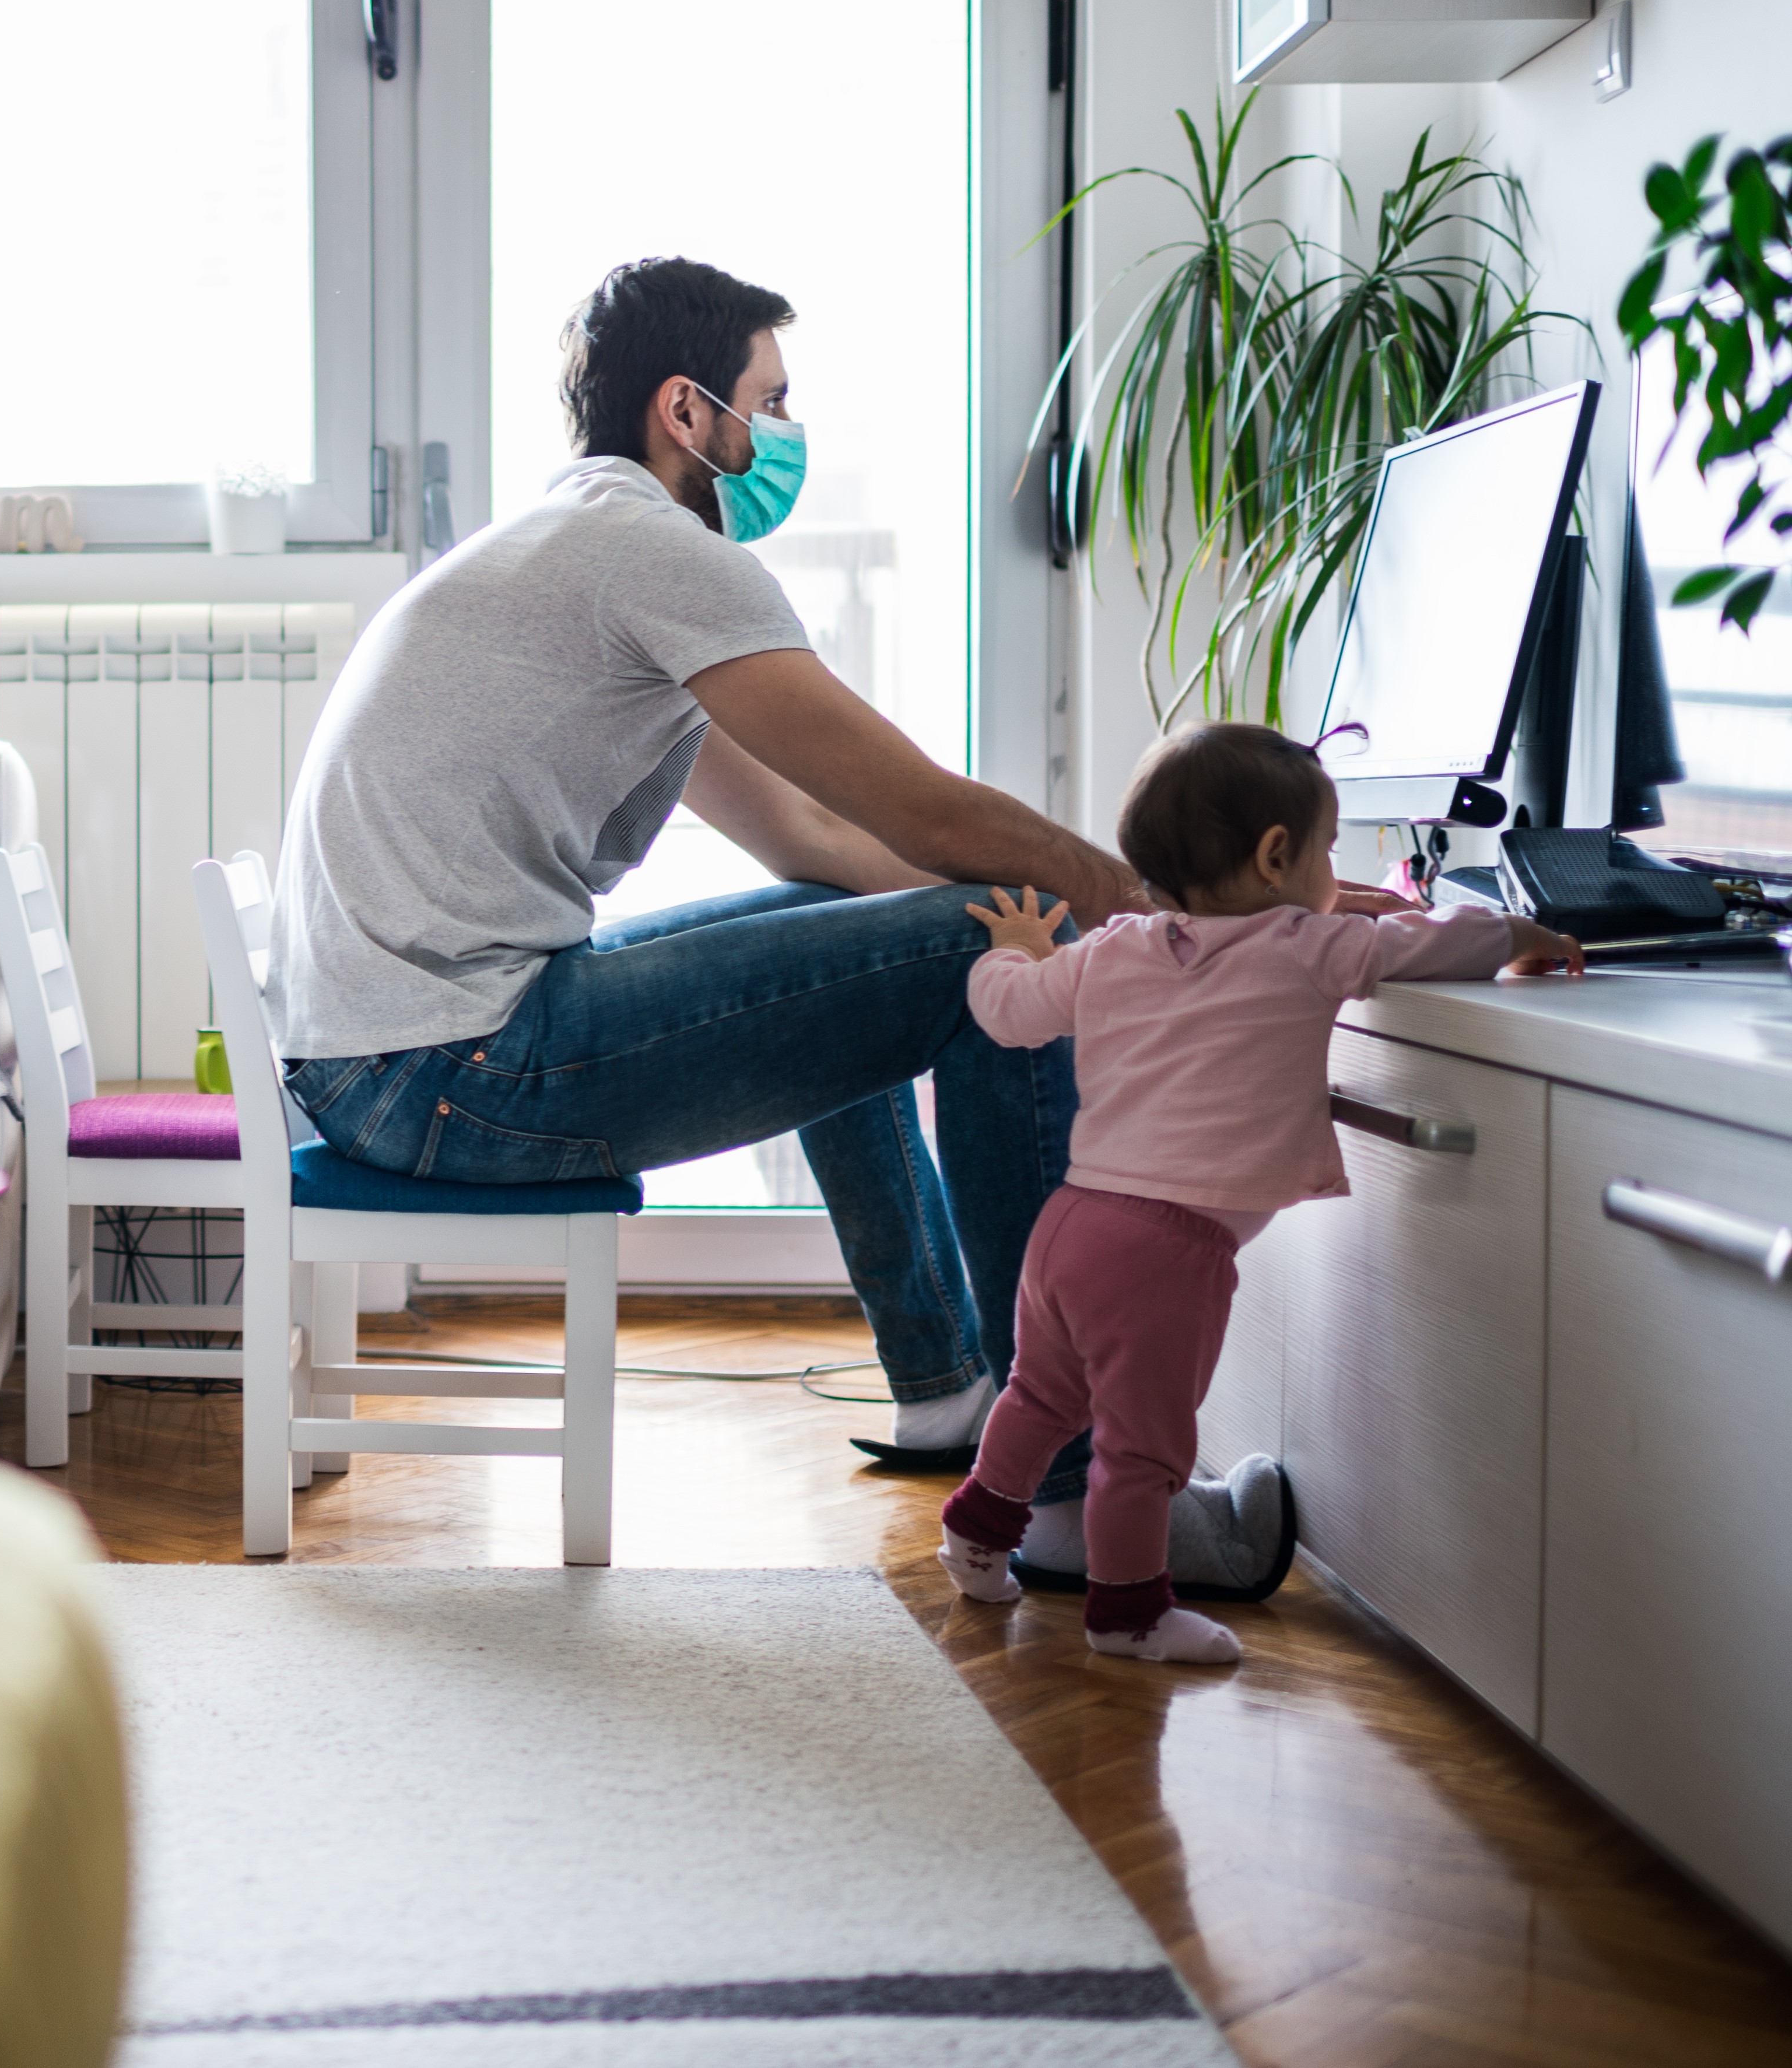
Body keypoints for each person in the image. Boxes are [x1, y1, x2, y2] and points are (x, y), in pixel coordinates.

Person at [271, 255, 1386, 1583]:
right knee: (987, 930)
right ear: (688, 414)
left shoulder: (578, 548)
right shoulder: (655, 556)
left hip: (393, 1061)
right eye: (771, 401)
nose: (785, 434)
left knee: (844, 926)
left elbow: (815, 840)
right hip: (453, 1074)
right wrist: (1178, 909)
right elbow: (927, 813)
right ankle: (1079, 1497)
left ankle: (946, 1388)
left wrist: (1072, 903)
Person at [937, 724, 1583, 1660]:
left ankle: (975, 1535)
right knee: (1144, 1450)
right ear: (1277, 854)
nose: (1332, 865)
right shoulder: (1308, 948)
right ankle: (1129, 1615)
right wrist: (1524, 930)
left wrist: (1015, 951)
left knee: (1042, 1393)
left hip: (1070, 1224)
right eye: (1327, 846)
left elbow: (1004, 1015)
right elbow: (1421, 944)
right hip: (1167, 1251)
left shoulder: (1113, 950)